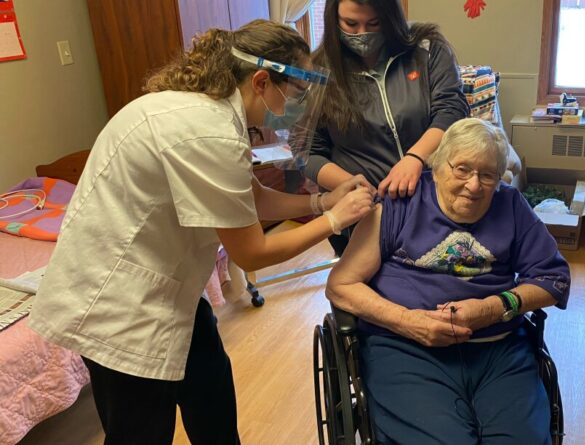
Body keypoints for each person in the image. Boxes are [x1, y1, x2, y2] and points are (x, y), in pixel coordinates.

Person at [28, 19, 374, 445]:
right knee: (140, 431)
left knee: (211, 397)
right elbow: (252, 252)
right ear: (262, 80)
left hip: (166, 292)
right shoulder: (206, 131)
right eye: (297, 93)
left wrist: (321, 201)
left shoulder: (206, 112)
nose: (298, 104)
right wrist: (335, 221)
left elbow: (253, 197)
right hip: (118, 307)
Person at [326, 118, 571, 444]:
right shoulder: (401, 203)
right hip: (405, 348)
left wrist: (492, 308)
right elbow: (341, 285)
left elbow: (553, 278)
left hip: (498, 349)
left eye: (488, 175)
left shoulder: (511, 206)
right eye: (462, 170)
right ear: (438, 165)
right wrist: (408, 321)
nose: (474, 185)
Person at [304, 0, 470, 256]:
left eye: (373, 23)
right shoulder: (317, 71)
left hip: (433, 201)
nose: (362, 34)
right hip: (364, 216)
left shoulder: (427, 48)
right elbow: (308, 153)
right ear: (333, 19)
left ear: (390, 17)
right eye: (350, 24)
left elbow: (451, 110)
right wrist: (350, 183)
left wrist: (415, 158)